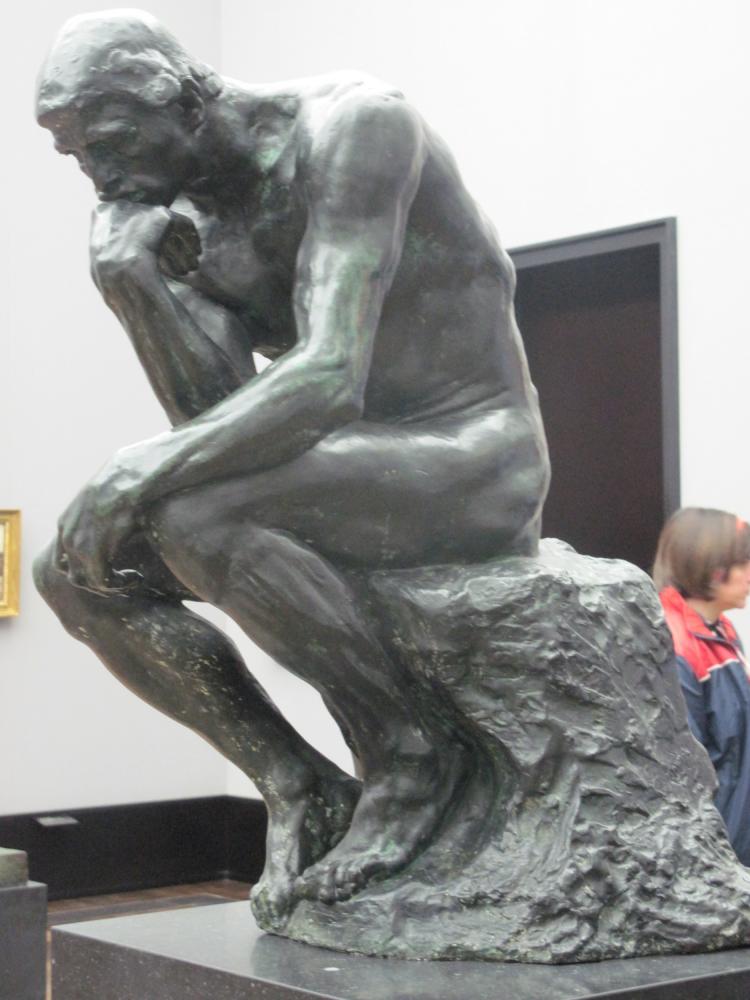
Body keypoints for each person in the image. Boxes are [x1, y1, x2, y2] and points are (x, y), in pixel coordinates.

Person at [32, 11, 550, 920]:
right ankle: (297, 780)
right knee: (74, 572)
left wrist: (132, 473)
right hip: (341, 469)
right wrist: (135, 289)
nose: (101, 176)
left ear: (176, 94)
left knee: (186, 511)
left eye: (110, 141)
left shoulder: (354, 127)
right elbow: (216, 420)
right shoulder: (179, 220)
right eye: (79, 158)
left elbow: (329, 378)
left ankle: (411, 753)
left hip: (471, 454)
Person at [654, 507, 750, 864]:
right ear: (711, 566)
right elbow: (686, 775)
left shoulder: (721, 630)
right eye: (743, 562)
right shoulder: (673, 646)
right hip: (718, 853)